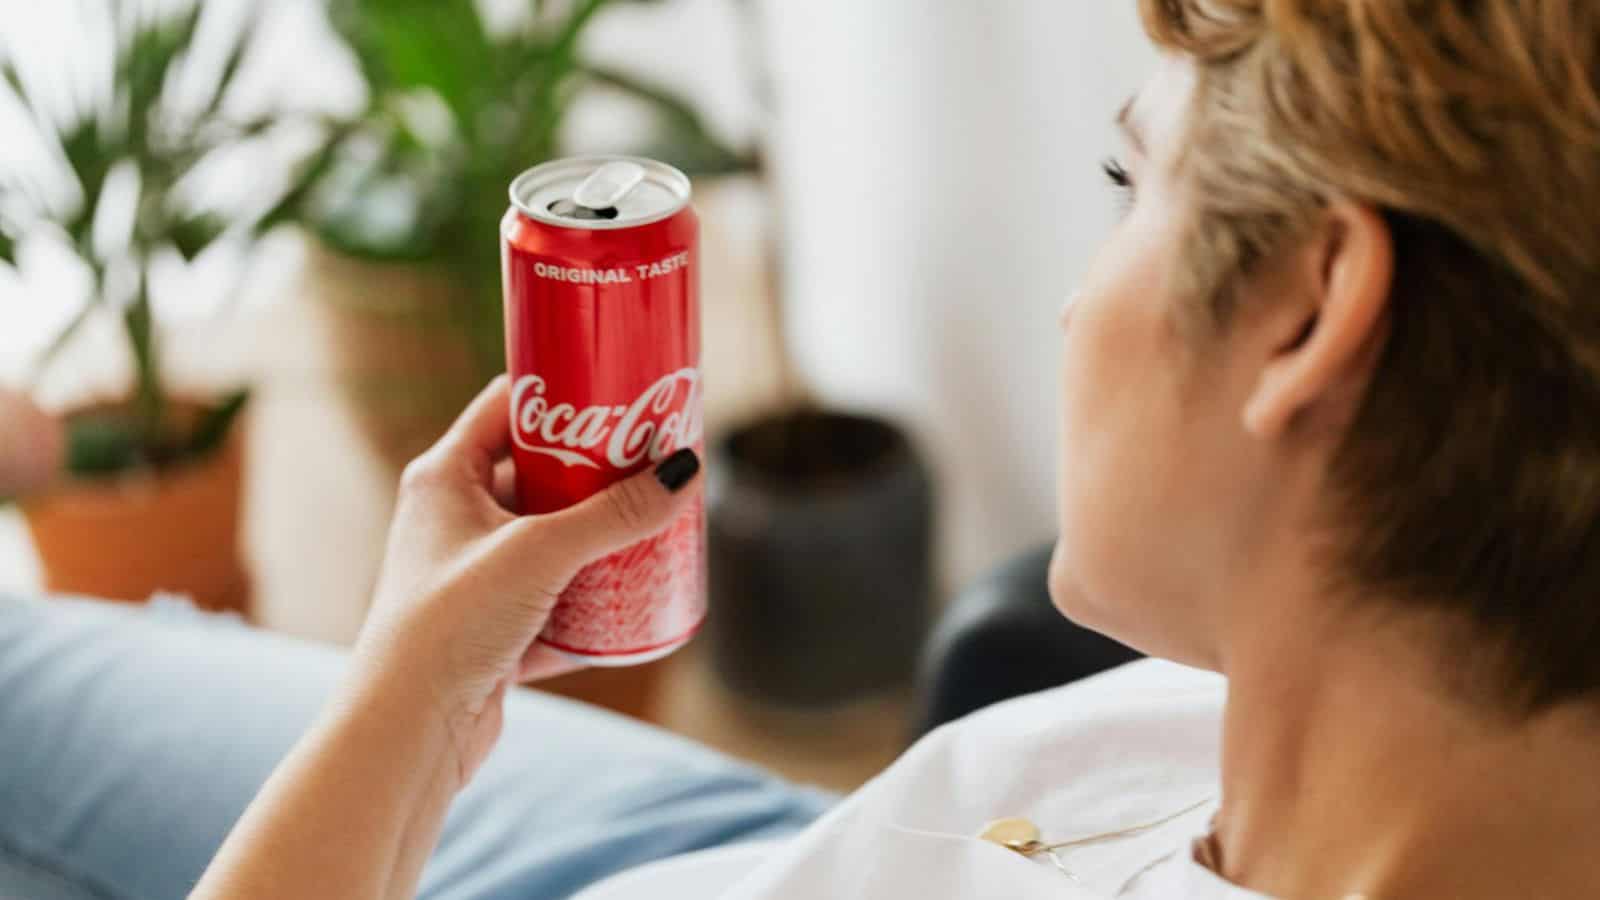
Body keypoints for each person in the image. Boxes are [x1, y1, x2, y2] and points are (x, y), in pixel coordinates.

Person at [5, 0, 1600, 896]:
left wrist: (398, 723)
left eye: (1132, 191)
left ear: (1310, 310)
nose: (1069, 310)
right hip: (747, 846)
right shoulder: (1458, 730)